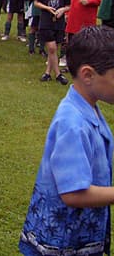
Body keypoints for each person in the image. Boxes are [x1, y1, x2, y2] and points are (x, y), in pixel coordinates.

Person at [19, 25, 114, 255]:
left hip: (80, 234)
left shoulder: (88, 109)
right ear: (88, 75)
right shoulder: (73, 124)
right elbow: (72, 193)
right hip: (62, 242)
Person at [34, 0, 71, 84]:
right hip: (46, 21)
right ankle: (58, 74)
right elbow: (37, 2)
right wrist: (47, 8)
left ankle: (47, 73)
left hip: (58, 22)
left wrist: (62, 10)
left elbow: (69, 5)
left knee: (54, 49)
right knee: (52, 48)